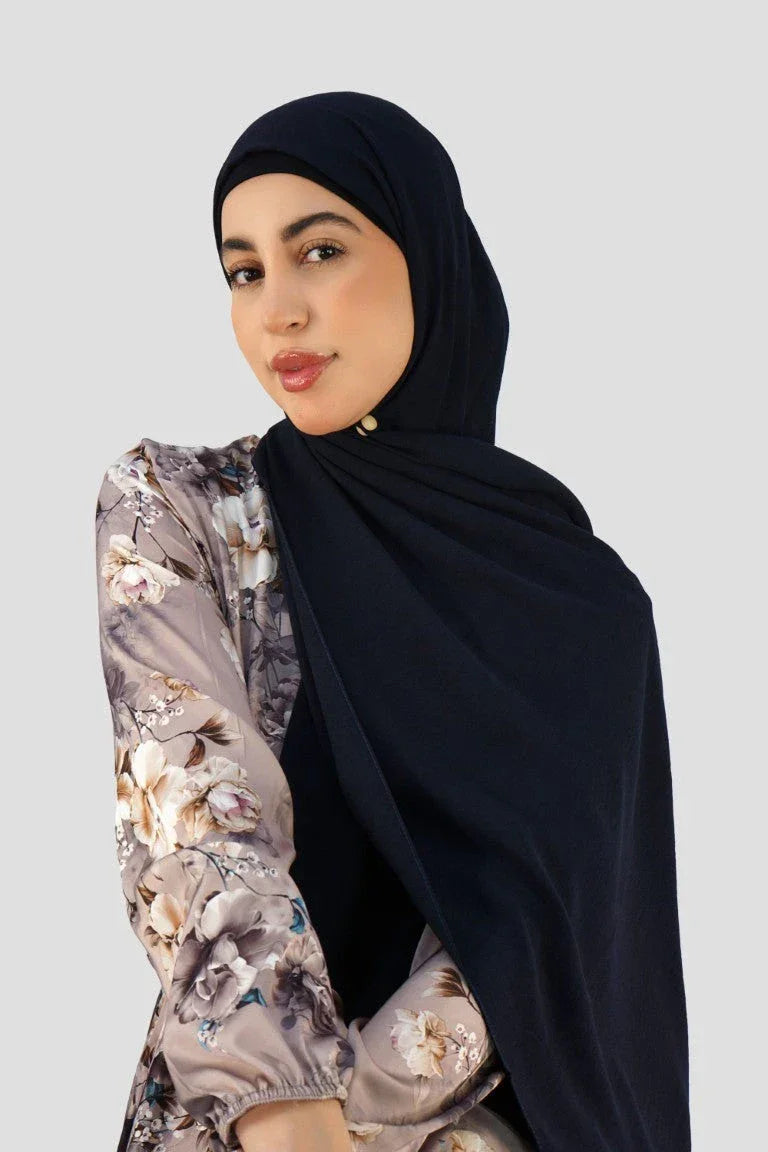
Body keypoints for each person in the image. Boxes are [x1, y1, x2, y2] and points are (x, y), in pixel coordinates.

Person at [95, 92, 690, 1152]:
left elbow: (544, 942)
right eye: (244, 271)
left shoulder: (586, 608)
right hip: (239, 1125)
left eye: (319, 252)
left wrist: (355, 1118)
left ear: (427, 260)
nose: (277, 311)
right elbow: (201, 822)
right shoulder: (187, 513)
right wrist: (287, 1116)